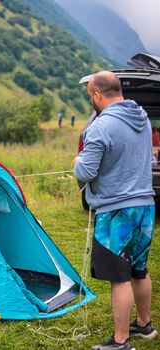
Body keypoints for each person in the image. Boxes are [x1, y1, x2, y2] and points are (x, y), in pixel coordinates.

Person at [74, 71, 158, 350]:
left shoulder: (100, 127)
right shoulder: (143, 118)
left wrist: (77, 161)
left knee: (119, 278)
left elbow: (86, 172)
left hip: (116, 212)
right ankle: (144, 325)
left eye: (90, 96)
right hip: (146, 205)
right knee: (139, 270)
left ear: (97, 95)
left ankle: (121, 342)